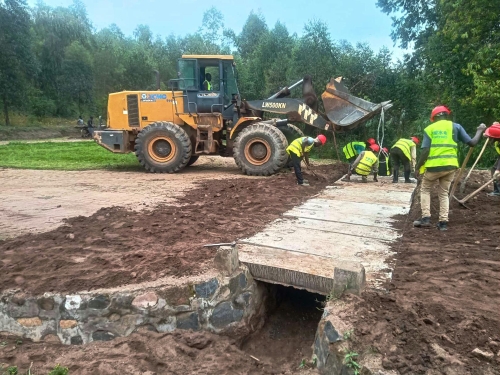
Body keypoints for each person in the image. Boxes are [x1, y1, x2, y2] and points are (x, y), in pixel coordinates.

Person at [414, 106, 486, 231]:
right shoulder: (456, 127)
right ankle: (443, 223)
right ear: (446, 115)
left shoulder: (429, 129)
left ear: (434, 118)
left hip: (434, 166)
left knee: (425, 189)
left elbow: (425, 150)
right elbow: (472, 143)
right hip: (450, 166)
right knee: (443, 193)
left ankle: (425, 218)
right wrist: (480, 130)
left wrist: (418, 166)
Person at [485, 122, 500, 196]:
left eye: (492, 137)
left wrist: (498, 170)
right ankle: (497, 190)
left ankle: (498, 191)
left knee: (496, 171)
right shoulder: (497, 139)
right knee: (494, 170)